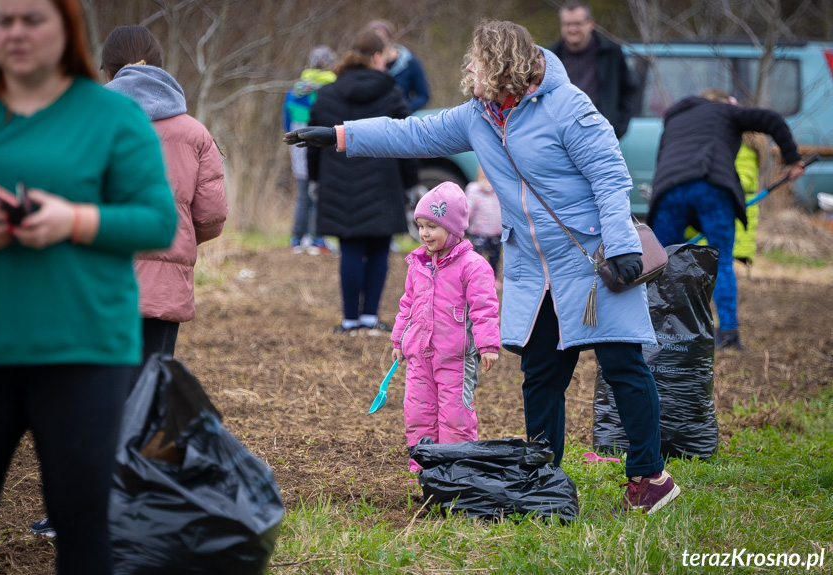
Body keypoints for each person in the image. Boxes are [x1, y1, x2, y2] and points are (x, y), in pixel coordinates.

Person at [286, 20, 680, 514]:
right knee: (540, 374)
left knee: (622, 366)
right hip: (536, 272)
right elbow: (411, 133)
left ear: (502, 65)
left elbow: (609, 176)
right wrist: (340, 135)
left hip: (593, 260)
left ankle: (650, 476)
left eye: (478, 60)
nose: (469, 68)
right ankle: (543, 476)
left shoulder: (568, 107)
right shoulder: (479, 115)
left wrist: (622, 244)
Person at [0, 0, 178, 572]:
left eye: (33, 18)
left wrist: (75, 220)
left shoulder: (111, 116)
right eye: (2, 18)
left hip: (82, 349)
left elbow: (158, 221)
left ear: (65, 27)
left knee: (84, 530)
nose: (16, 31)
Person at [28, 24, 229, 540]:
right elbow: (211, 216)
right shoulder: (194, 131)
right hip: (163, 287)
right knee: (148, 396)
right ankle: (138, 511)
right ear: (161, 67)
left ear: (109, 71)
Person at [647, 90, 804, 351]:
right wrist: (793, 158)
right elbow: (772, 119)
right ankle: (729, 333)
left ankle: (658, 333)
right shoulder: (724, 111)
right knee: (723, 262)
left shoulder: (674, 117)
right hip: (712, 184)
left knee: (660, 261)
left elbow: (665, 161)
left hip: (668, 188)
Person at [307, 28, 419, 335]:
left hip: (337, 182)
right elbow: (407, 140)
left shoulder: (327, 93)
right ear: (377, 57)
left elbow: (315, 139)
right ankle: (370, 318)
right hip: (383, 182)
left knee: (351, 248)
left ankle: (349, 320)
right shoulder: (391, 91)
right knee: (380, 249)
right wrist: (411, 183)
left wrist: (314, 179)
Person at [391, 182, 500, 474]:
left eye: (433, 226)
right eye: (421, 225)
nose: (425, 233)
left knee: (456, 419)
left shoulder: (473, 266)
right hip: (420, 357)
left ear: (453, 229)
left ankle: (458, 474)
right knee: (418, 415)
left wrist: (488, 346)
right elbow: (408, 304)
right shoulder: (417, 264)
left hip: (456, 359)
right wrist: (399, 340)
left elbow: (484, 309)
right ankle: (424, 473)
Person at [685, 89, 766, 267]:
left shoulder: (743, 144)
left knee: (718, 272)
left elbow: (743, 180)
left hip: (730, 217)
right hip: (710, 217)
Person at [549, 1, 636, 140]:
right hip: (562, 138)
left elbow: (629, 91)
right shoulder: (550, 57)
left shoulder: (611, 53)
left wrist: (617, 129)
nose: (572, 29)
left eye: (577, 23)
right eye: (567, 24)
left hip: (602, 135)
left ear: (590, 23)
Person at [283, 45, 337, 255]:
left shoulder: (295, 89)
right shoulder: (330, 88)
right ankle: (317, 239)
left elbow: (286, 121)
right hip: (321, 142)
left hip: (297, 143)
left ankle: (297, 238)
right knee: (319, 191)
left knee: (303, 192)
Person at [367, 19, 430, 112]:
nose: (377, 45)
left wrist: (402, 108)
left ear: (390, 40)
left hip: (401, 120)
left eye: (381, 39)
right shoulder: (364, 66)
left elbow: (423, 96)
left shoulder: (410, 62)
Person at [464, 165, 503, 287]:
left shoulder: (499, 190)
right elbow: (468, 208)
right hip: (478, 231)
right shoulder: (473, 190)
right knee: (477, 255)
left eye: (489, 178)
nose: (487, 182)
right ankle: (475, 279)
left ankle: (493, 278)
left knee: (495, 257)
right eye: (483, 178)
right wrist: (464, 222)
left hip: (496, 231)